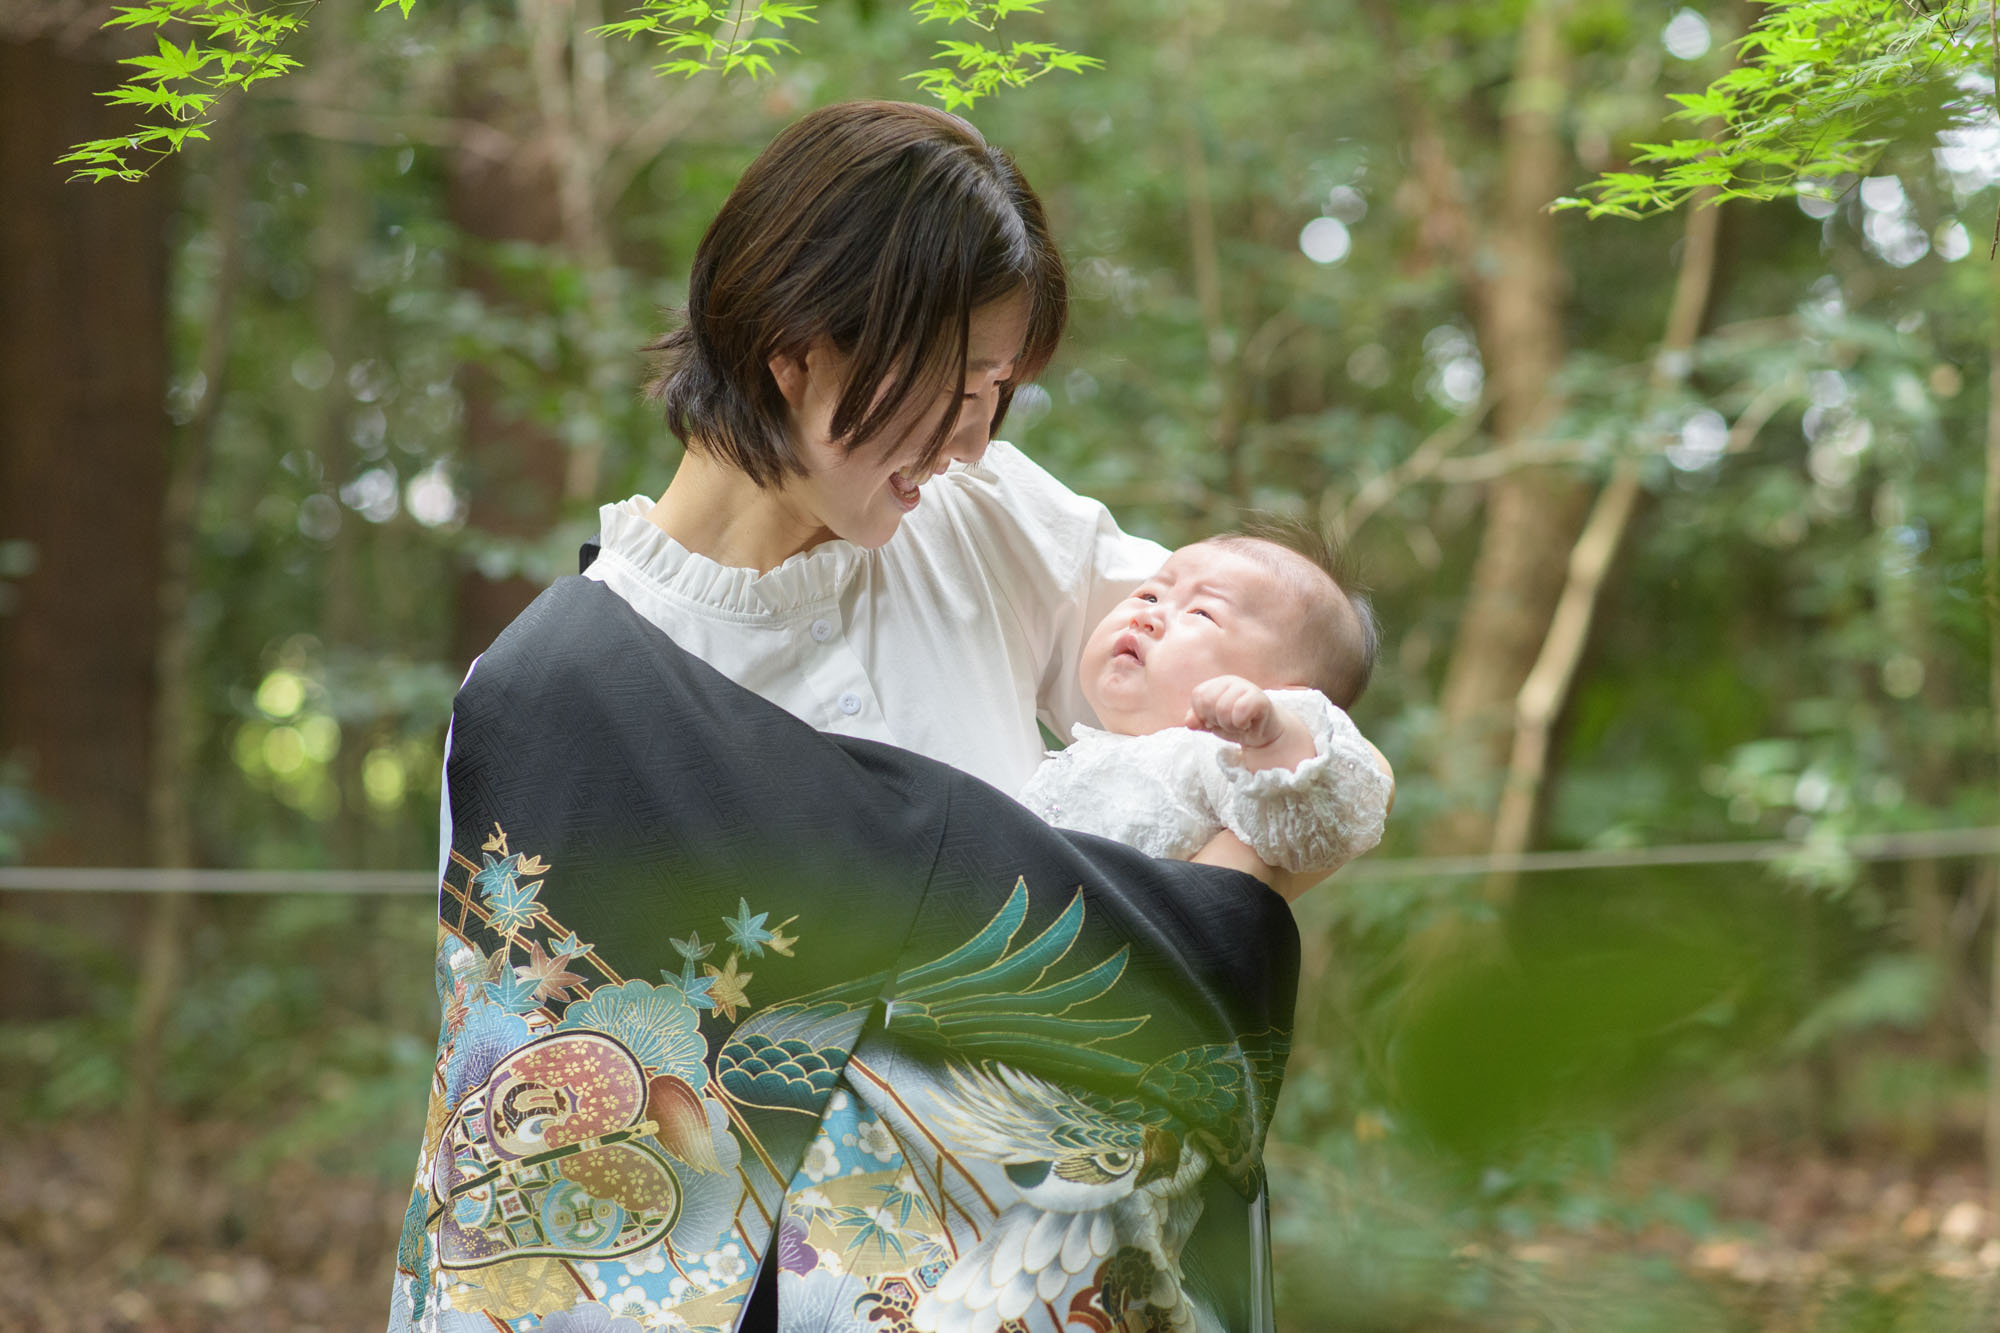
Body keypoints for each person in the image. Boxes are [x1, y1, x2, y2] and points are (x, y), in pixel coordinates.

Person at [389, 100, 1381, 1333]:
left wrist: (1198, 917)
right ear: (795, 344)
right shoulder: (553, 699)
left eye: (996, 389)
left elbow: (1303, 751)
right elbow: (536, 1154)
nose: (969, 439)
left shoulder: (984, 523)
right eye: (948, 386)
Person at [1020, 531, 1392, 885]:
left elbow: (1309, 828)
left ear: (1281, 694)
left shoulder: (1222, 756)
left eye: (1202, 613)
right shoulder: (1086, 753)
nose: (1146, 616)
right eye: (1149, 596)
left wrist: (1274, 738)